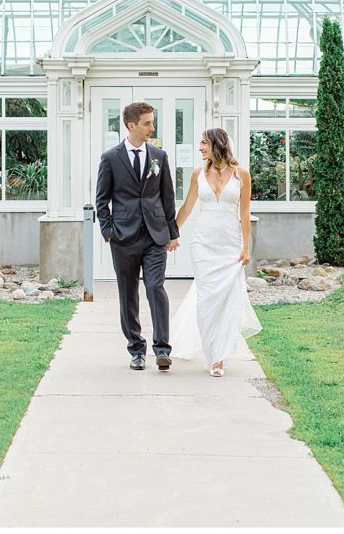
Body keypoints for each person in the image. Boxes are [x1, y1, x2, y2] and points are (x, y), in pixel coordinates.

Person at [94, 102, 180, 372]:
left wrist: (172, 233)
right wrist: (109, 232)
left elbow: (167, 196)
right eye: (147, 123)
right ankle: (136, 350)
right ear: (131, 125)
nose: (152, 128)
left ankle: (162, 349)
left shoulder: (159, 156)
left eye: (152, 122)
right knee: (128, 294)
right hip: (123, 238)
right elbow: (101, 200)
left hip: (155, 236)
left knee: (155, 287)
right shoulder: (110, 158)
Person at [170, 128, 262, 377]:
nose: (200, 148)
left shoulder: (242, 174)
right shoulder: (197, 174)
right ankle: (212, 354)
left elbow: (244, 212)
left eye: (203, 143)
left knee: (228, 300)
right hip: (203, 244)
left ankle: (220, 356)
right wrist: (171, 233)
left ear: (217, 144)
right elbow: (187, 207)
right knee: (207, 300)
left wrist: (245, 247)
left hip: (230, 245)